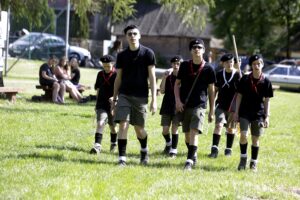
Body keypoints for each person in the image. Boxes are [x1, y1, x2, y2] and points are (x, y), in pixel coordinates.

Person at [112, 25, 157, 166]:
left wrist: (154, 100)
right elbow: (118, 78)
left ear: (139, 35)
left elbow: (153, 77)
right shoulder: (122, 56)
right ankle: (122, 159)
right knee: (123, 125)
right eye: (129, 34)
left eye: (135, 33)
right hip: (124, 94)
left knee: (139, 129)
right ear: (126, 37)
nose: (132, 36)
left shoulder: (148, 53)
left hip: (141, 96)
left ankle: (144, 150)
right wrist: (114, 98)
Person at [174, 38, 216, 171]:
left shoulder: (209, 68)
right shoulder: (185, 65)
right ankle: (193, 154)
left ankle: (189, 161)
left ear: (204, 50)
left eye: (199, 47)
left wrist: (212, 110)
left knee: (193, 132)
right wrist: (177, 101)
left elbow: (211, 90)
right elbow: (176, 84)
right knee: (186, 134)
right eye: (194, 48)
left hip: (200, 105)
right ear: (191, 51)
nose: (197, 49)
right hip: (185, 105)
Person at [234, 54, 273, 171]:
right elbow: (239, 96)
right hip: (244, 112)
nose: (257, 66)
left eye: (259, 63)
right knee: (243, 135)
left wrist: (267, 116)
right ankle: (243, 159)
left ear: (262, 64)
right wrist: (236, 112)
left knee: (255, 139)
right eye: (254, 64)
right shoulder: (245, 79)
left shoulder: (266, 81)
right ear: (251, 65)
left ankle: (253, 163)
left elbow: (267, 100)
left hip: (259, 114)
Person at [208, 53, 241, 158]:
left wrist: (243, 79)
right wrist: (212, 108)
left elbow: (242, 92)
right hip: (221, 105)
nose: (229, 64)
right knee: (218, 125)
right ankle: (214, 149)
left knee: (231, 129)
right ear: (223, 63)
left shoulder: (238, 75)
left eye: (231, 62)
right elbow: (215, 91)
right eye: (227, 62)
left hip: (233, 106)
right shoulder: (218, 74)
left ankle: (228, 150)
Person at [90, 55, 118, 154]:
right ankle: (97, 146)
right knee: (100, 123)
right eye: (104, 66)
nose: (106, 68)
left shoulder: (117, 74)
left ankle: (114, 142)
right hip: (101, 103)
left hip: (113, 104)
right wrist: (96, 103)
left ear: (113, 64)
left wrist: (115, 98)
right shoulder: (100, 74)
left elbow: (121, 90)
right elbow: (98, 89)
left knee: (112, 127)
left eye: (108, 66)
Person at [159, 55, 182, 158]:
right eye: (174, 64)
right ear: (171, 64)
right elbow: (162, 91)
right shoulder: (168, 76)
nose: (176, 65)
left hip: (177, 106)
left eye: (178, 64)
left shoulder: (183, 77)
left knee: (175, 128)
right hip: (167, 104)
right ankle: (168, 143)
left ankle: (173, 150)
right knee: (165, 130)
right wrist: (164, 78)